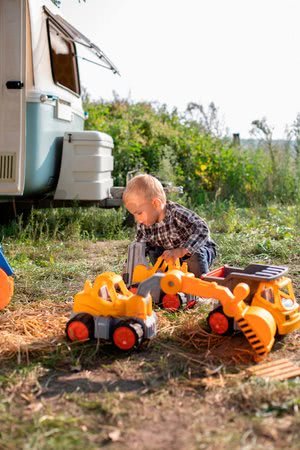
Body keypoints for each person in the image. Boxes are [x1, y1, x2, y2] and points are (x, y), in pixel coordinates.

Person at [123, 174, 217, 277]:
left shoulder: (177, 214)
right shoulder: (144, 226)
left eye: (139, 213)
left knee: (195, 254)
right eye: (134, 215)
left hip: (194, 252)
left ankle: (199, 285)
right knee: (152, 250)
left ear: (156, 204)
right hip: (172, 258)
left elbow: (202, 228)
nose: (137, 219)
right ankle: (165, 280)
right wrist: (127, 270)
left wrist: (182, 250)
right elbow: (137, 249)